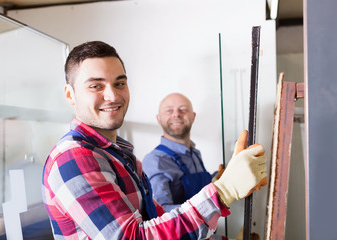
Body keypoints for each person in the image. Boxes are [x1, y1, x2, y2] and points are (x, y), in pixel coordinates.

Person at [42, 40, 267, 240]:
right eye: (96, 86)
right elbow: (135, 237)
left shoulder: (121, 155)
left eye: (119, 83)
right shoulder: (74, 157)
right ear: (70, 94)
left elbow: (161, 221)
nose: (112, 95)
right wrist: (223, 191)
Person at [143, 93, 220, 211]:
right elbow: (161, 211)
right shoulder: (155, 161)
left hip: (207, 228)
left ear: (193, 117)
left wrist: (221, 177)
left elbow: (201, 190)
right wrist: (209, 205)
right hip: (181, 230)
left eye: (183, 110)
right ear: (158, 119)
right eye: (168, 111)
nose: (176, 115)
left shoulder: (195, 154)